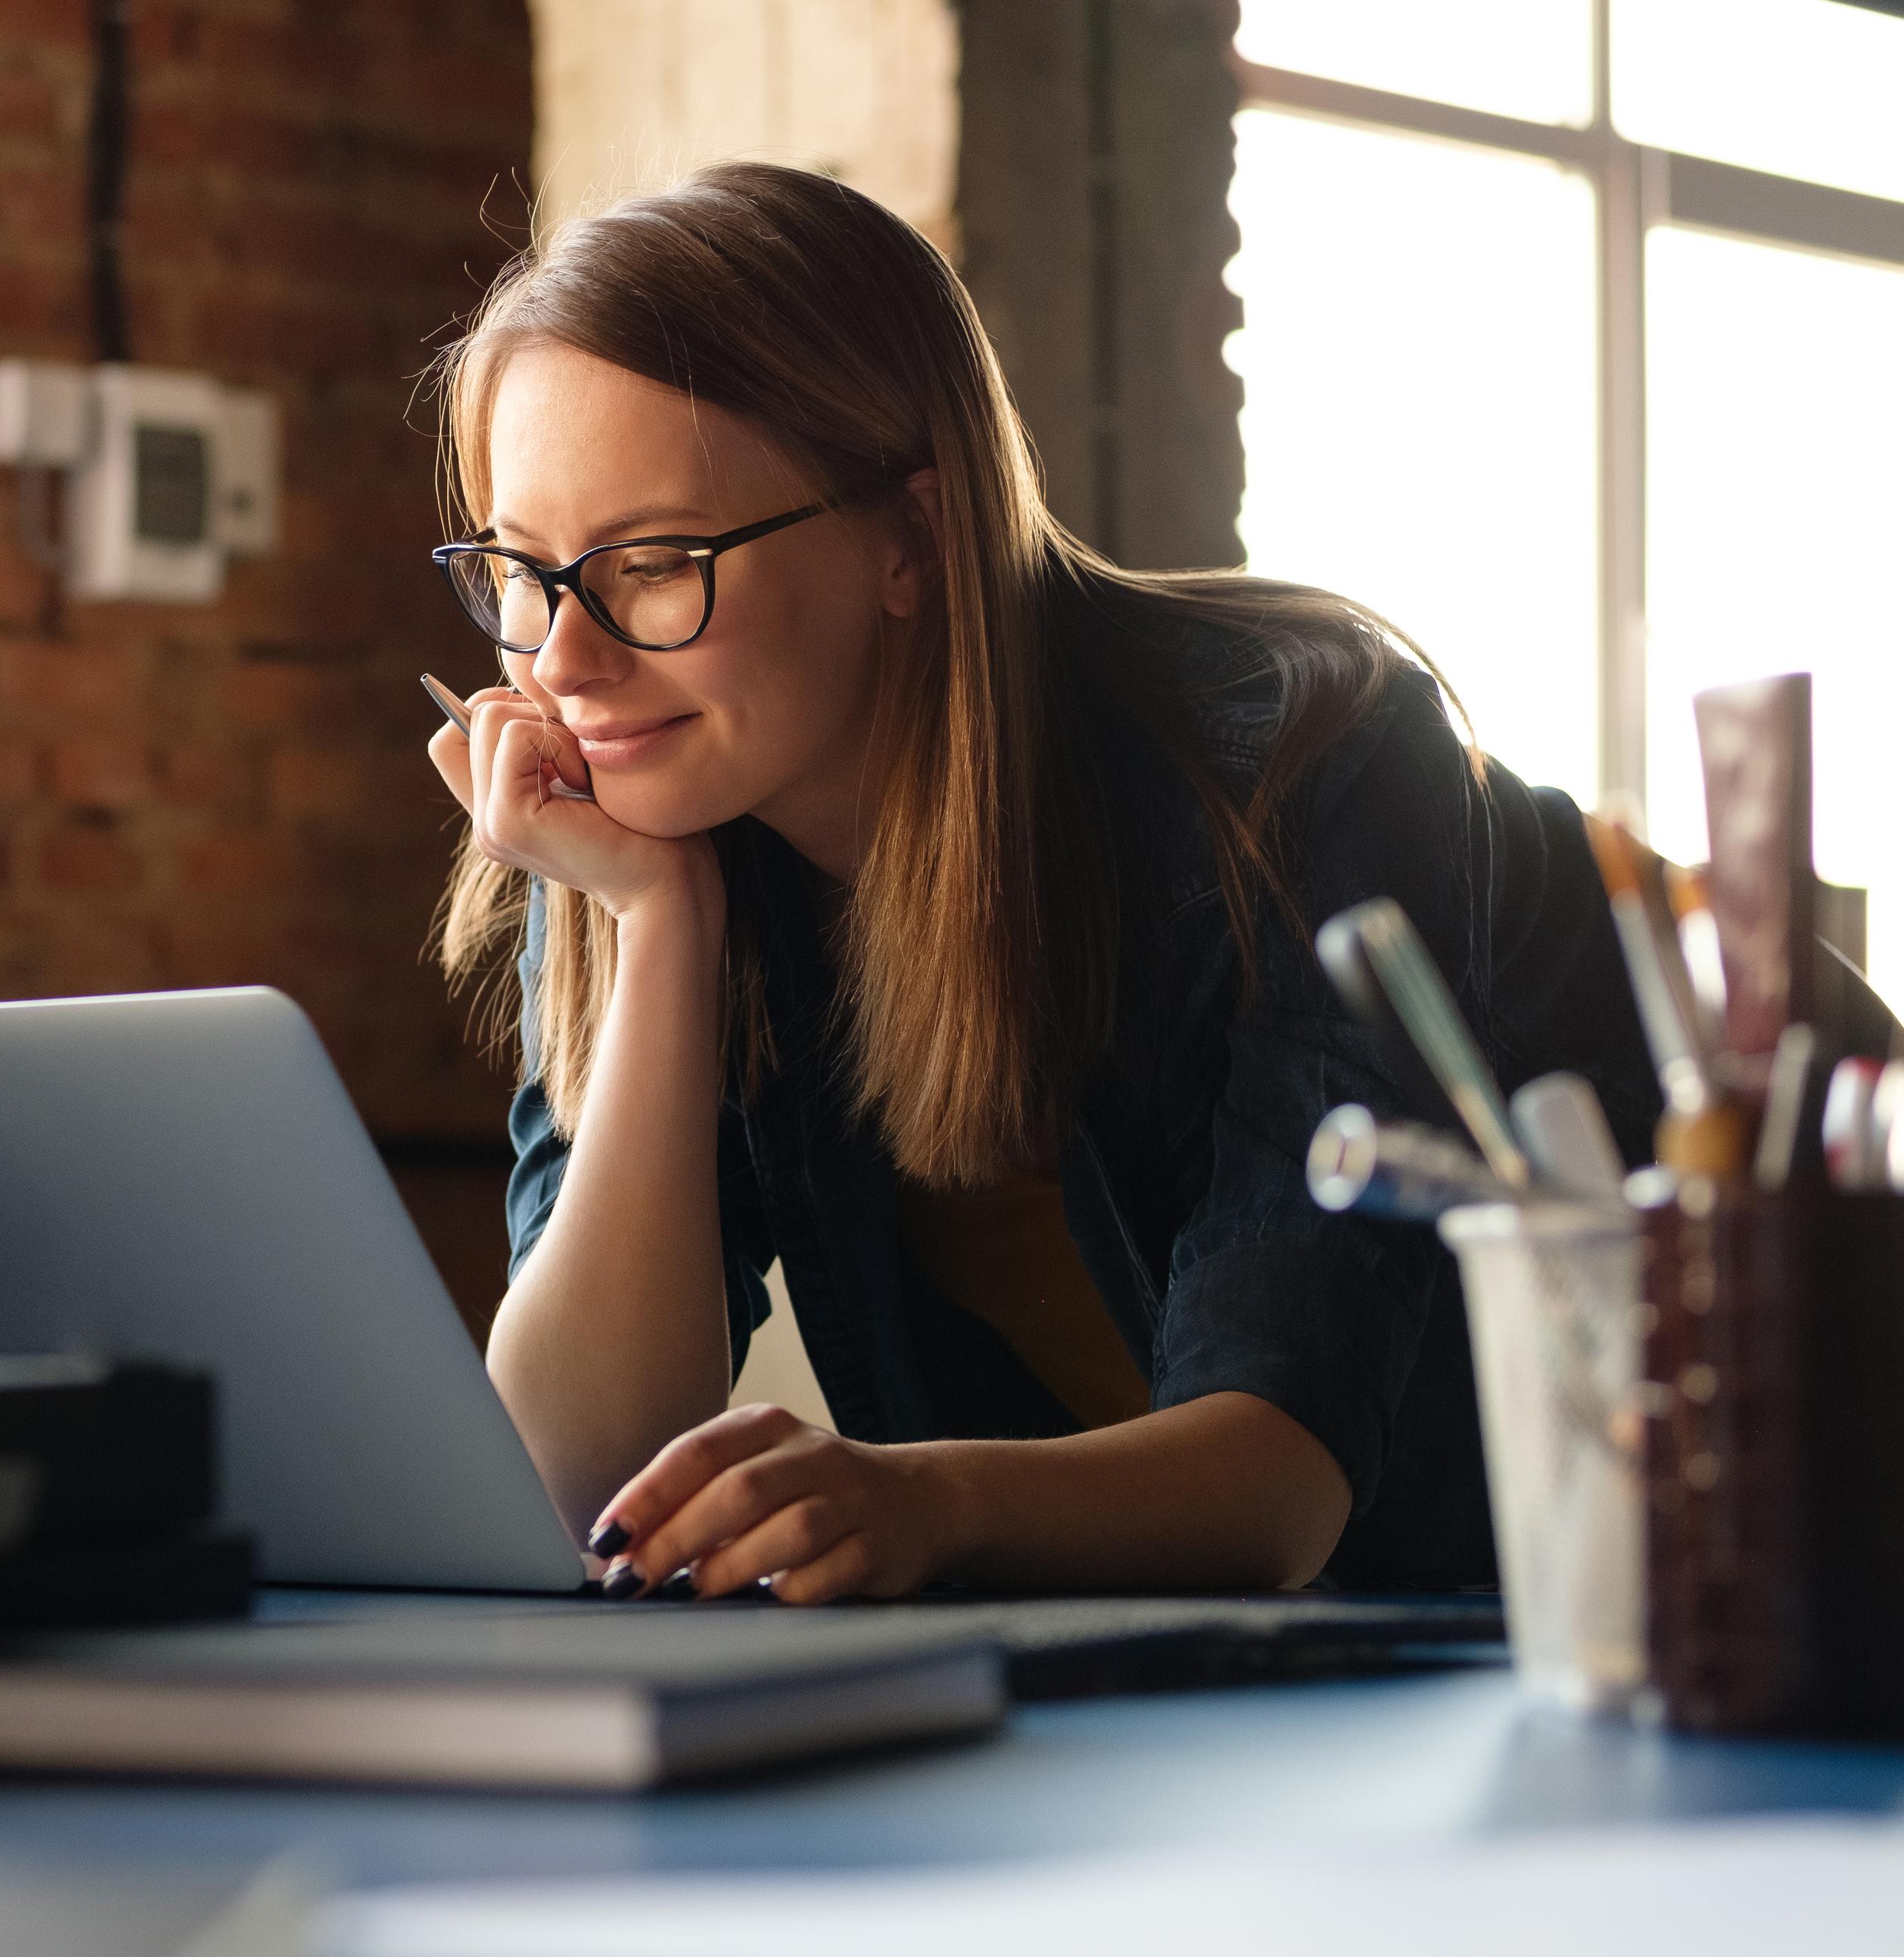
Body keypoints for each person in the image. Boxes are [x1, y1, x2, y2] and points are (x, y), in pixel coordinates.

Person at [422, 161, 1657, 1603]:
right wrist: (659, 924)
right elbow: (580, 1465)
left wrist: (923, 1503)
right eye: (521, 571)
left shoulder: (1302, 758)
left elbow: (1282, 1484)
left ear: (912, 538)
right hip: (1260, 1695)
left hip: (1750, 1504)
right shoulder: (637, 814)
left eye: (652, 563)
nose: (563, 665)